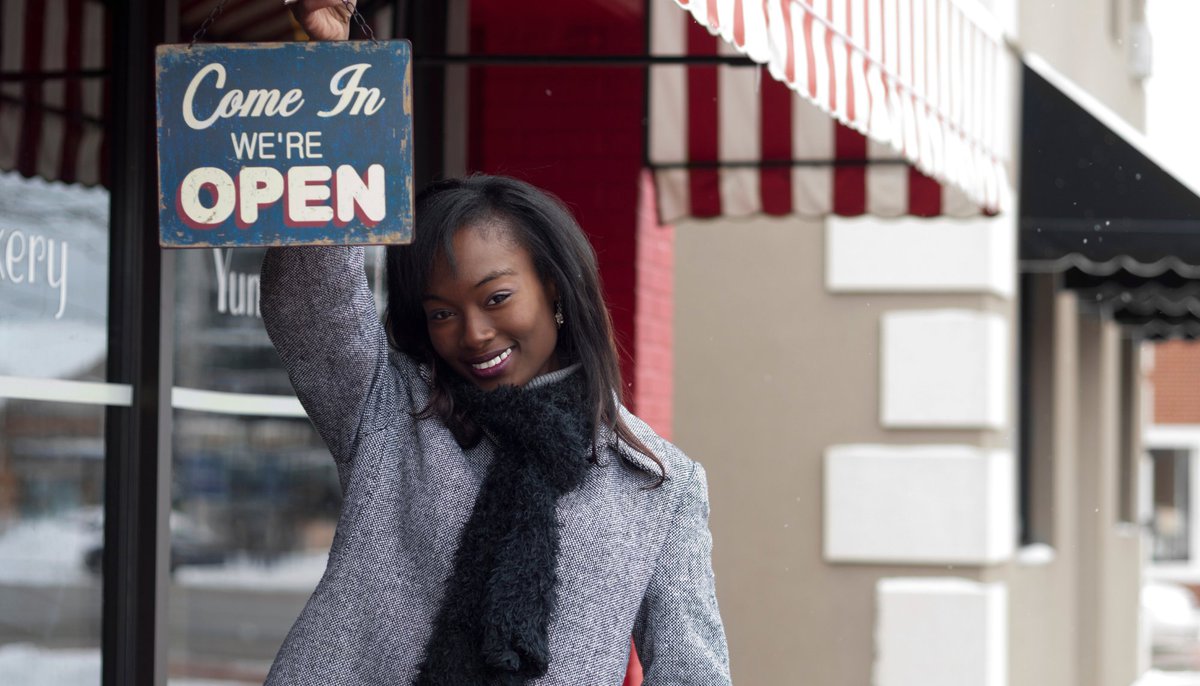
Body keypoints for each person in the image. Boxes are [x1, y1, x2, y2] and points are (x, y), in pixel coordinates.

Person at [260, 2, 731, 684]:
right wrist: (332, 77)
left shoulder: (659, 481)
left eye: (497, 298)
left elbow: (692, 672)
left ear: (558, 293)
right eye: (442, 312)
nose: (473, 333)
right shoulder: (394, 412)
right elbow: (307, 301)